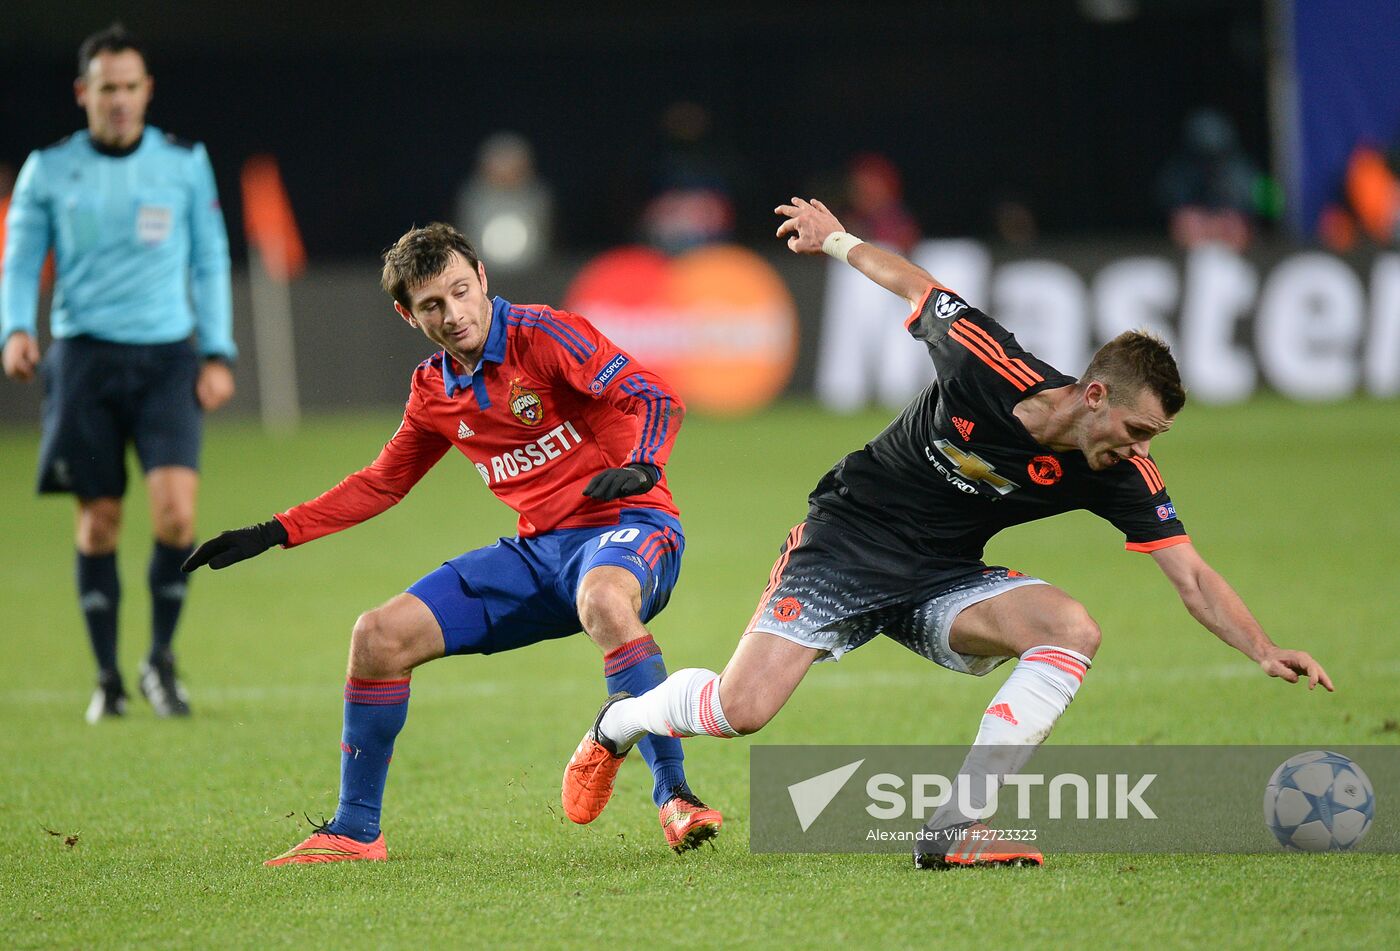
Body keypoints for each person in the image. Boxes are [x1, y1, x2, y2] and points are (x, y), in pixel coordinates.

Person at [563, 197, 1333, 869]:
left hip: (943, 575)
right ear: (1094, 394)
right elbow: (918, 285)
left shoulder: (1119, 471)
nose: (1139, 449)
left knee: (1071, 628)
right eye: (1135, 428)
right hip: (848, 540)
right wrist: (833, 239)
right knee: (741, 710)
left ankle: (957, 826)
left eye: (1151, 438)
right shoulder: (987, 365)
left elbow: (1190, 573)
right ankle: (616, 723)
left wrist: (1263, 646)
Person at [183, 222, 721, 864]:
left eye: (461, 291)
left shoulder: (544, 335)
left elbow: (654, 395)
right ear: (407, 315)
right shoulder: (434, 391)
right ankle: (355, 831)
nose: (454, 313)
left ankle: (676, 796)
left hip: (631, 527)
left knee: (605, 599)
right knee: (377, 637)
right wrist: (276, 530)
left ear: (482, 280)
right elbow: (382, 483)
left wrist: (644, 464)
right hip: (540, 554)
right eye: (432, 304)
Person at [0, 24, 236, 723]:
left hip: (167, 358)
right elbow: (19, 259)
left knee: (177, 515)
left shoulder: (184, 164)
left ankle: (159, 659)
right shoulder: (50, 169)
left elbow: (210, 259)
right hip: (84, 360)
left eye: (132, 87)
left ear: (147, 91)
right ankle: (106, 675)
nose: (121, 100)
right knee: (99, 521)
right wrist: (14, 327)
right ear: (84, 93)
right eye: (107, 88)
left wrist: (217, 351)